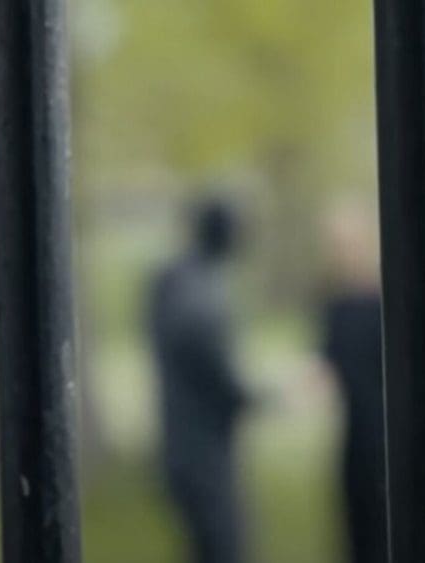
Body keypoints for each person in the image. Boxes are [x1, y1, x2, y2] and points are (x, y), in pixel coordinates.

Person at [148, 197, 252, 563]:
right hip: (199, 450)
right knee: (223, 546)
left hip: (185, 443)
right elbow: (212, 367)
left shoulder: (174, 279)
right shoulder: (197, 291)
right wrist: (260, 395)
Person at [314, 204, 388, 563]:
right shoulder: (334, 304)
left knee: (382, 528)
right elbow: (325, 363)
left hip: (383, 432)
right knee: (353, 530)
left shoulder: (384, 302)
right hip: (352, 433)